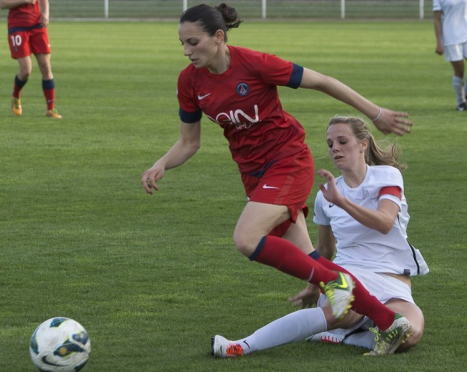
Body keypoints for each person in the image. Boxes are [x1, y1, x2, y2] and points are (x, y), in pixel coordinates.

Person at [141, 3, 413, 355]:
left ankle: (336, 281)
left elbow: (324, 82)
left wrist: (376, 113)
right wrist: (161, 164)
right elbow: (188, 142)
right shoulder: (189, 82)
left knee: (246, 237)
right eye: (182, 44)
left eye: (193, 42)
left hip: (288, 161)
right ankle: (389, 323)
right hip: (254, 176)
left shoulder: (255, 63)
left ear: (219, 37)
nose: (186, 51)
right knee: (312, 259)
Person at [212, 116, 429, 357]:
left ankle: (348, 338)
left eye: (342, 141)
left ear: (363, 144)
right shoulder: (325, 195)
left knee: (410, 335)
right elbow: (323, 250)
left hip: (393, 281)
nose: (335, 148)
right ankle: (240, 346)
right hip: (349, 276)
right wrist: (314, 287)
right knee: (344, 312)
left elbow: (385, 222)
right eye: (330, 144)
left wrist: (342, 202)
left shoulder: (386, 176)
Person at [0, 0, 62, 118]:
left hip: (37, 24)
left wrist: (46, 14)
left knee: (46, 66)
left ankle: (51, 109)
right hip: (18, 27)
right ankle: (16, 95)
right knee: (26, 70)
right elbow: (3, 4)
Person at [433, 0, 467, 111]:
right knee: (459, 70)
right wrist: (439, 42)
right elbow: (437, 19)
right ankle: (460, 102)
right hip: (451, 36)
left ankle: (466, 93)